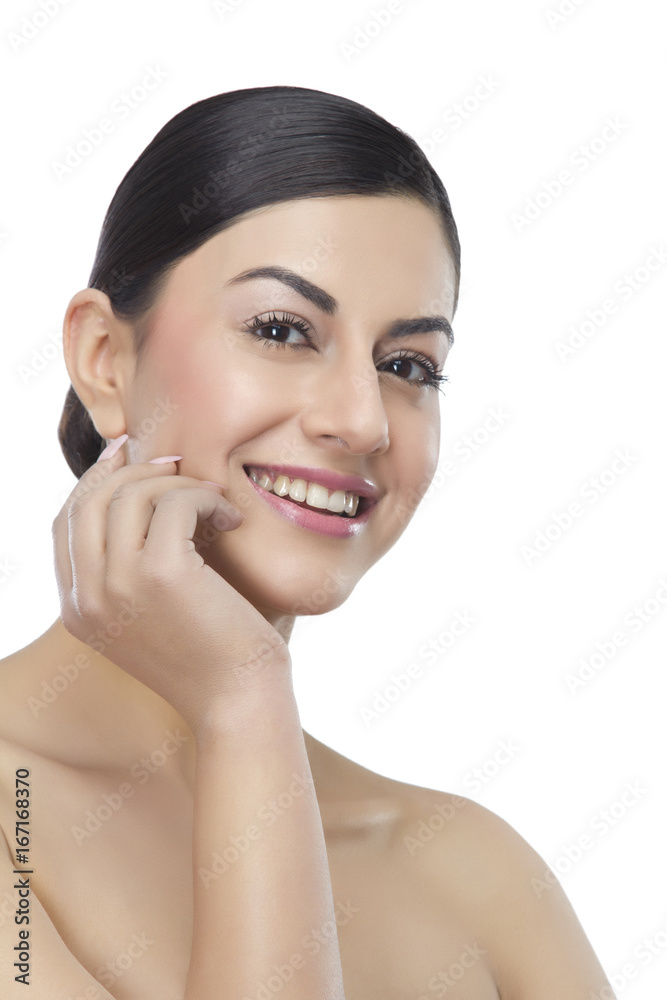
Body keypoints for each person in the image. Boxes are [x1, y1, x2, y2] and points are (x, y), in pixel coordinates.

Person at [0, 85, 616, 1000]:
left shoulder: (477, 873)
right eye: (282, 330)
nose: (362, 420)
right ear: (103, 359)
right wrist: (244, 701)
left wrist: (243, 716)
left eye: (408, 365)